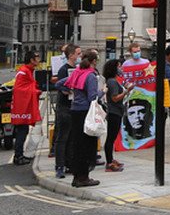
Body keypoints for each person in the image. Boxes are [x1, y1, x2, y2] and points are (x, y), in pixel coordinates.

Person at [57, 53, 101, 187]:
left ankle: (77, 176)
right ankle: (83, 177)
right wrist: (103, 91)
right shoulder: (91, 76)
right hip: (86, 112)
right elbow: (93, 97)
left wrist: (70, 92)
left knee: (77, 145)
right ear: (94, 61)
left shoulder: (77, 72)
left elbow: (59, 84)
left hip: (75, 111)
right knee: (87, 146)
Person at [52, 44, 81, 178]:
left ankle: (69, 163)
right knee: (62, 137)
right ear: (71, 55)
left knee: (71, 137)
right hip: (64, 107)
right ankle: (59, 166)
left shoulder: (77, 69)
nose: (80, 56)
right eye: (78, 53)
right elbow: (62, 88)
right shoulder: (64, 70)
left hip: (73, 106)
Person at [10, 51, 41, 166]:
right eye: (37, 58)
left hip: (23, 105)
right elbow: (20, 89)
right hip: (22, 106)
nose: (38, 60)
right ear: (31, 60)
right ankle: (18, 156)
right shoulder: (24, 71)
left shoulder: (27, 71)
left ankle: (19, 154)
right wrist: (36, 91)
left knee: (24, 130)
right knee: (22, 131)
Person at [102, 59, 133, 172]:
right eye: (119, 66)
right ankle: (109, 163)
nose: (121, 68)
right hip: (114, 112)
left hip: (117, 111)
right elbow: (115, 98)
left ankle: (111, 159)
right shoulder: (112, 82)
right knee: (111, 138)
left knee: (112, 137)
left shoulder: (113, 81)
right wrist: (126, 91)